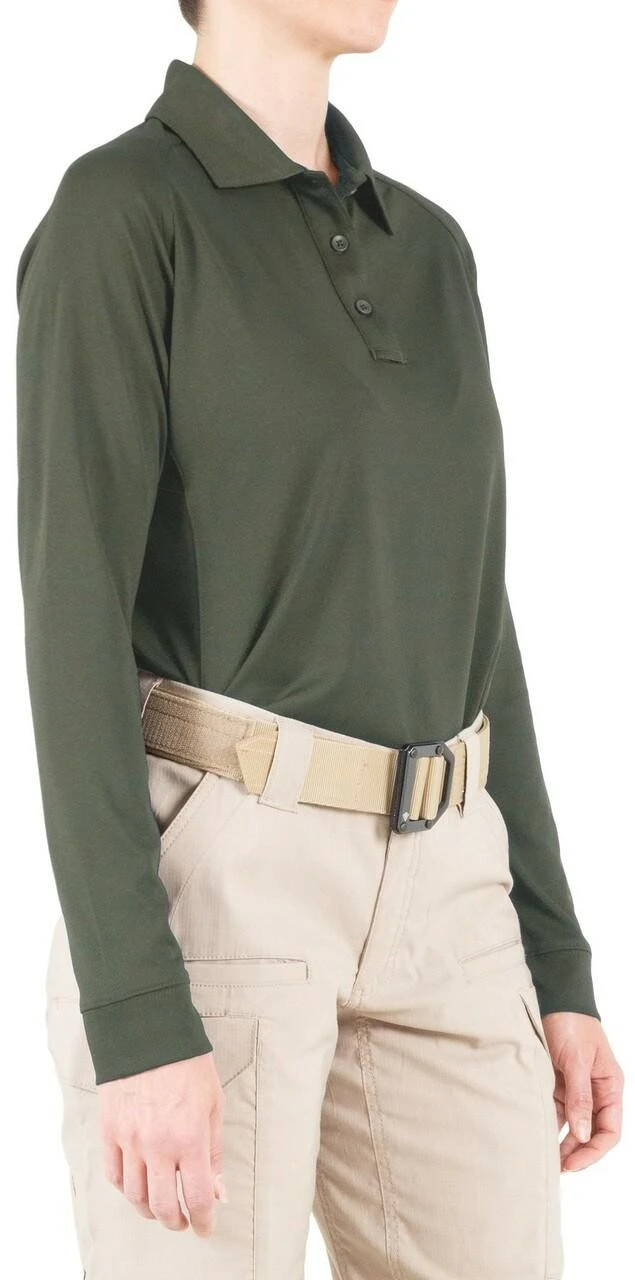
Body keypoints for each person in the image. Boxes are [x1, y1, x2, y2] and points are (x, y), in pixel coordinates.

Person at [15, 1, 623, 1277]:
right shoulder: (121, 216)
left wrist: (553, 952)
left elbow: (475, 615)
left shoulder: (430, 250)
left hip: (451, 889)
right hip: (226, 874)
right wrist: (135, 1007)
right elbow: (72, 626)